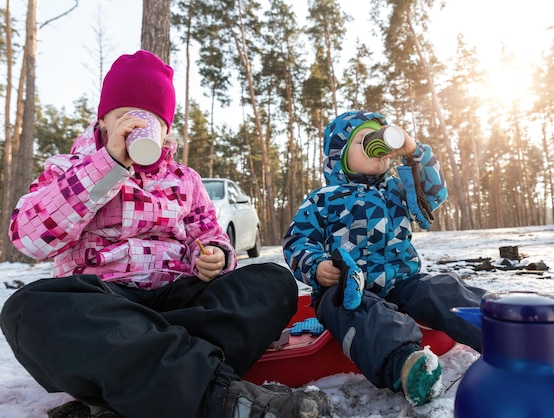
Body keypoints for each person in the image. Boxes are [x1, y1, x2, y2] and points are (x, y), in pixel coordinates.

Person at [0, 50, 331, 418]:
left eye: (152, 120)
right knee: (26, 310)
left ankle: (141, 370)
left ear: (166, 130)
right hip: (105, 304)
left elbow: (209, 234)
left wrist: (217, 257)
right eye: (125, 116)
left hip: (177, 297)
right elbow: (27, 238)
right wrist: (106, 167)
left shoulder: (184, 180)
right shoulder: (70, 168)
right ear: (103, 121)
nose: (137, 127)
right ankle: (212, 392)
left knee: (272, 282)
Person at [283, 110, 487, 407]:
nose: (376, 147)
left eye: (379, 139)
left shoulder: (397, 189)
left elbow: (432, 194)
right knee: (350, 308)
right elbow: (298, 240)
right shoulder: (323, 198)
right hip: (348, 287)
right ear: (340, 154)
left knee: (441, 288)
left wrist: (414, 152)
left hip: (401, 282)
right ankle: (407, 365)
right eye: (364, 140)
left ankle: (510, 330)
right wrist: (318, 266)